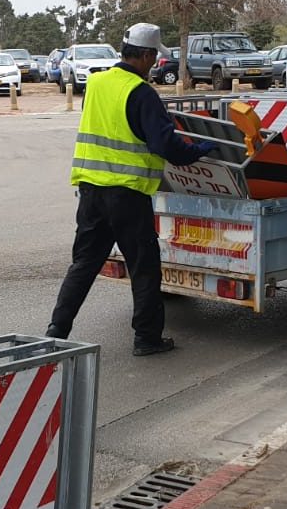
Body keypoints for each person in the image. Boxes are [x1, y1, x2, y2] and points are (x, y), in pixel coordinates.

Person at [46, 22, 219, 356]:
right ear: (144, 55)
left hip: (91, 193)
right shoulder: (141, 93)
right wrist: (200, 150)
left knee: (83, 265)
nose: (155, 62)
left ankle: (57, 329)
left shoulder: (95, 84)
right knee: (144, 267)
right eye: (153, 56)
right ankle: (147, 338)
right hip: (127, 196)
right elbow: (163, 145)